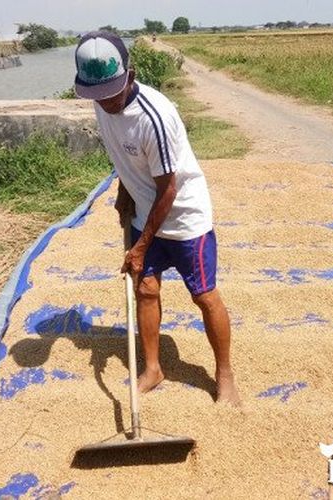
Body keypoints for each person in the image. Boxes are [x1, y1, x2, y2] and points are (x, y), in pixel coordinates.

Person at [73, 31, 241, 406]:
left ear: (130, 75)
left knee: (204, 295)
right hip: (143, 211)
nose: (106, 103)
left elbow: (169, 188)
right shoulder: (101, 101)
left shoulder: (156, 117)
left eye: (112, 93)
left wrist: (141, 244)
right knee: (145, 289)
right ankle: (153, 368)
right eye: (98, 95)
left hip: (183, 217)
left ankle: (224, 375)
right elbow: (125, 156)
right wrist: (123, 189)